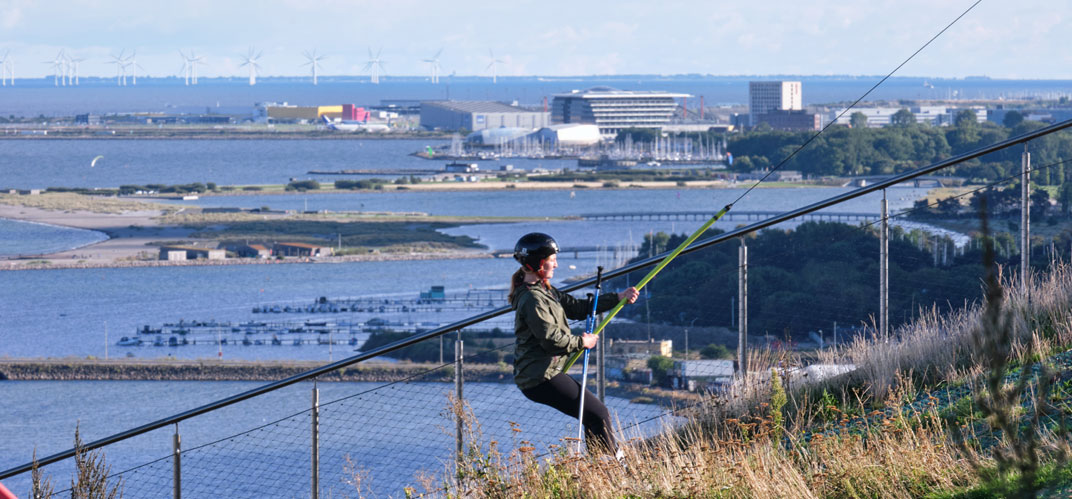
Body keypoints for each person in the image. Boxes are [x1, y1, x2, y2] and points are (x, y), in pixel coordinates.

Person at [509, 232, 639, 456]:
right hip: (539, 378)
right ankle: (612, 467)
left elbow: (578, 308)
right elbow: (551, 341)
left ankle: (603, 468)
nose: (556, 264)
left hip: (544, 372)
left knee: (593, 416)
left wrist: (618, 298)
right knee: (599, 414)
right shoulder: (533, 299)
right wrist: (583, 342)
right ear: (538, 263)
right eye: (552, 260)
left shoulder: (544, 290)